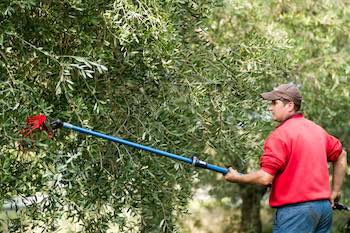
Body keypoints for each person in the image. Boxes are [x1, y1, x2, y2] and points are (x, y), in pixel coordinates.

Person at [224, 83, 347, 233]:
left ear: (289, 106)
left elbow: (265, 178)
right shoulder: (317, 130)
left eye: (274, 103)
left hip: (295, 213)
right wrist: (335, 191)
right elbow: (341, 155)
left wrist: (237, 177)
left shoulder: (280, 135)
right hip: (323, 210)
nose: (270, 108)